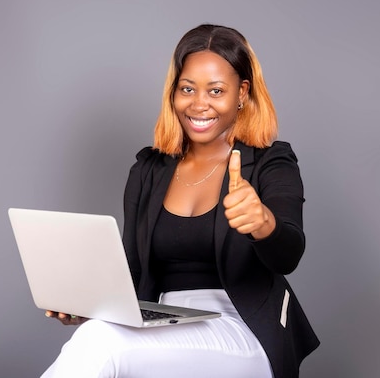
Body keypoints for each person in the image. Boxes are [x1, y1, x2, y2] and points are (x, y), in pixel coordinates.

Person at [42, 24, 319, 377]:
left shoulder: (270, 162)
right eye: (187, 89)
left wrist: (263, 224)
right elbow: (133, 272)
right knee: (97, 332)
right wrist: (88, 306)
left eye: (216, 91)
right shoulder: (149, 170)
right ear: (173, 93)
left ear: (241, 92)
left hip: (241, 326)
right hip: (161, 322)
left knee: (100, 344)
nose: (199, 104)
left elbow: (289, 252)